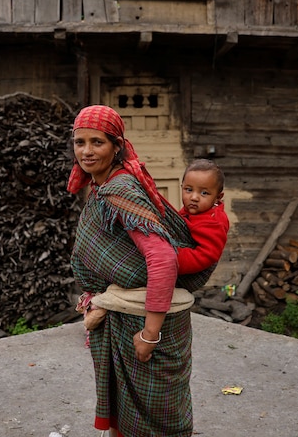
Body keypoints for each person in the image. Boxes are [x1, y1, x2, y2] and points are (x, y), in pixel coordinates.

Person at [68, 105, 215, 437]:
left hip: (146, 325)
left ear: (116, 146)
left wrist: (150, 335)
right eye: (80, 142)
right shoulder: (103, 186)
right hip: (124, 319)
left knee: (157, 422)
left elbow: (163, 261)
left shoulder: (121, 189)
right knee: (126, 414)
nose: (87, 151)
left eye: (97, 142)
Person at [176, 159, 230, 275]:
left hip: (184, 270)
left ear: (218, 197)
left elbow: (207, 255)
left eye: (204, 193)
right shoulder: (191, 210)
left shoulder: (213, 222)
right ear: (182, 187)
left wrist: (172, 258)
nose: (194, 197)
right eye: (189, 190)